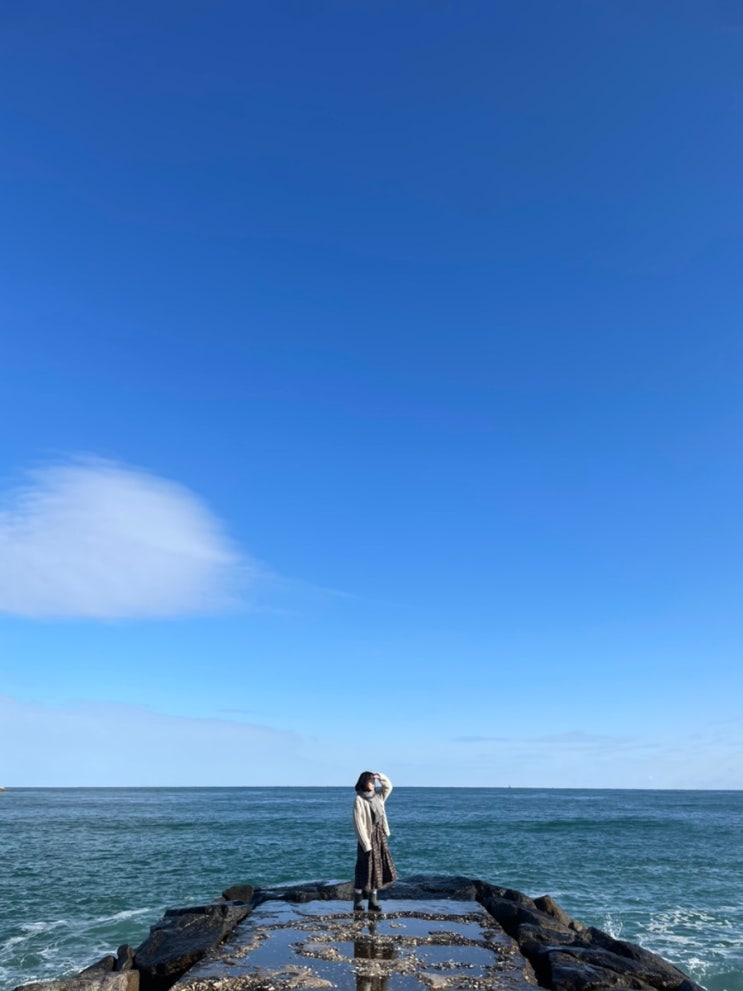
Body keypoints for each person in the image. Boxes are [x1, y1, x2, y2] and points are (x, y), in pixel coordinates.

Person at [352, 770, 397, 912]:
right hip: (367, 837)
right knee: (364, 867)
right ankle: (358, 900)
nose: (373, 784)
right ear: (363, 782)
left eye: (373, 781)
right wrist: (366, 844)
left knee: (378, 867)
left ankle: (373, 900)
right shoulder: (359, 800)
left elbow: (389, 787)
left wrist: (380, 776)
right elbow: (358, 824)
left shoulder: (378, 796)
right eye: (370, 781)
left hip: (379, 835)